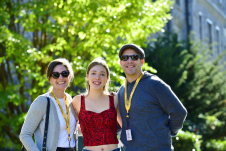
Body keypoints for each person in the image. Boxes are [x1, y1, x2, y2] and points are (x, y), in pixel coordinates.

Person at [117, 44, 187, 151]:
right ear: (121, 63)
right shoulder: (122, 90)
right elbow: (118, 122)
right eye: (125, 58)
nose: (129, 61)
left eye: (135, 57)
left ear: (142, 62)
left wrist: (168, 132)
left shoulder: (154, 84)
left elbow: (179, 112)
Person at [20, 58, 77, 151]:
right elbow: (25, 134)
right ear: (50, 79)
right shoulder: (42, 102)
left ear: (69, 77)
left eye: (64, 73)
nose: (61, 78)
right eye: (55, 75)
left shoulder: (70, 99)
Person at [72, 57, 122, 151]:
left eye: (102, 74)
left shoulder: (114, 98)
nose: (97, 77)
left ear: (107, 78)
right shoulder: (77, 101)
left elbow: (125, 125)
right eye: (93, 73)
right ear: (87, 76)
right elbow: (69, 128)